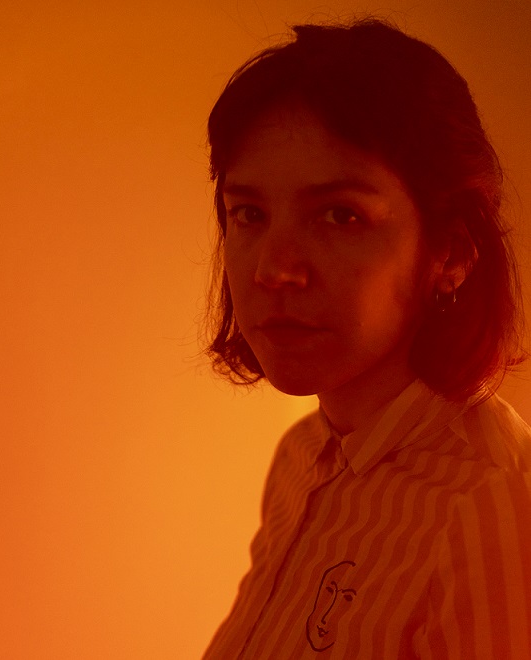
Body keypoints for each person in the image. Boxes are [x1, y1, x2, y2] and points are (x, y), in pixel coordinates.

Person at [201, 18, 531, 659]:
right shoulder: (302, 457)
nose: (274, 269)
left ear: (451, 253)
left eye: (340, 215)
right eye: (249, 213)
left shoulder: (491, 508)